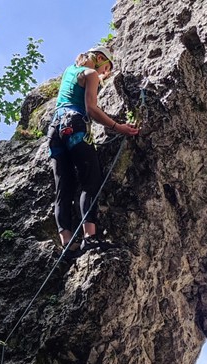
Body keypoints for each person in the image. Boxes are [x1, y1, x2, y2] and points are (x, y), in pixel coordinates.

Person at [48, 46, 139, 252]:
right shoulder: (90, 74)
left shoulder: (69, 72)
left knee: (64, 186)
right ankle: (90, 236)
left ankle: (67, 244)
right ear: (99, 59)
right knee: (91, 180)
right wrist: (118, 127)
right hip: (75, 126)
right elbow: (91, 108)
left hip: (54, 132)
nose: (104, 74)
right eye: (105, 68)